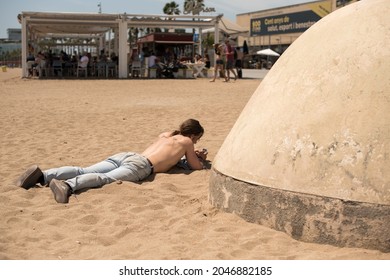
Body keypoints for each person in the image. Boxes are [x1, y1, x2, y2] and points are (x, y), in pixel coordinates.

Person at [16, 119, 208, 204]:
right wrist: (200, 157)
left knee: (84, 169)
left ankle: (43, 175)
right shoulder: (186, 142)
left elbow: (169, 156)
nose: (196, 142)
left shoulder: (168, 134)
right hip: (142, 166)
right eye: (197, 138)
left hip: (128, 155)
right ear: (193, 134)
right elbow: (196, 167)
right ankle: (67, 186)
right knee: (104, 179)